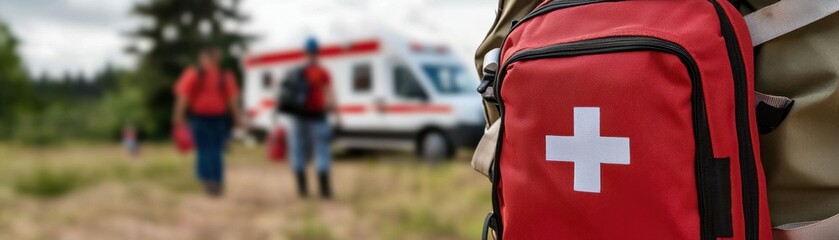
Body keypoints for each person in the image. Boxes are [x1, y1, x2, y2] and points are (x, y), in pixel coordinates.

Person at [172, 45, 242, 197]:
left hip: (199, 117)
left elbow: (183, 97)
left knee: (203, 150)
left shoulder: (193, 74)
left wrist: (178, 117)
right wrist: (237, 120)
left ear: (203, 58)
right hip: (219, 118)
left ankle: (207, 182)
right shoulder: (226, 76)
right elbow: (233, 101)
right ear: (217, 58)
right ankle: (217, 181)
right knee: (216, 150)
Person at [285, 38, 339, 199]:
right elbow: (330, 95)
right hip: (317, 116)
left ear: (305, 52)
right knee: (322, 150)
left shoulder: (297, 71)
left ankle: (302, 190)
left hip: (297, 117)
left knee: (298, 152)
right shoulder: (322, 72)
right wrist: (338, 116)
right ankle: (324, 191)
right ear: (318, 52)